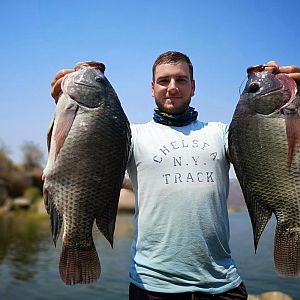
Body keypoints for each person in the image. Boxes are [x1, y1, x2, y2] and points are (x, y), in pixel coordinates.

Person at [50, 52, 300, 300]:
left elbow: (273, 150)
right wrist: (64, 112)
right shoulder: (129, 135)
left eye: (181, 80)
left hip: (222, 284)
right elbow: (78, 157)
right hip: (151, 286)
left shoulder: (223, 133)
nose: (172, 87)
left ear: (193, 87)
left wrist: (293, 105)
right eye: (163, 80)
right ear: (152, 88)